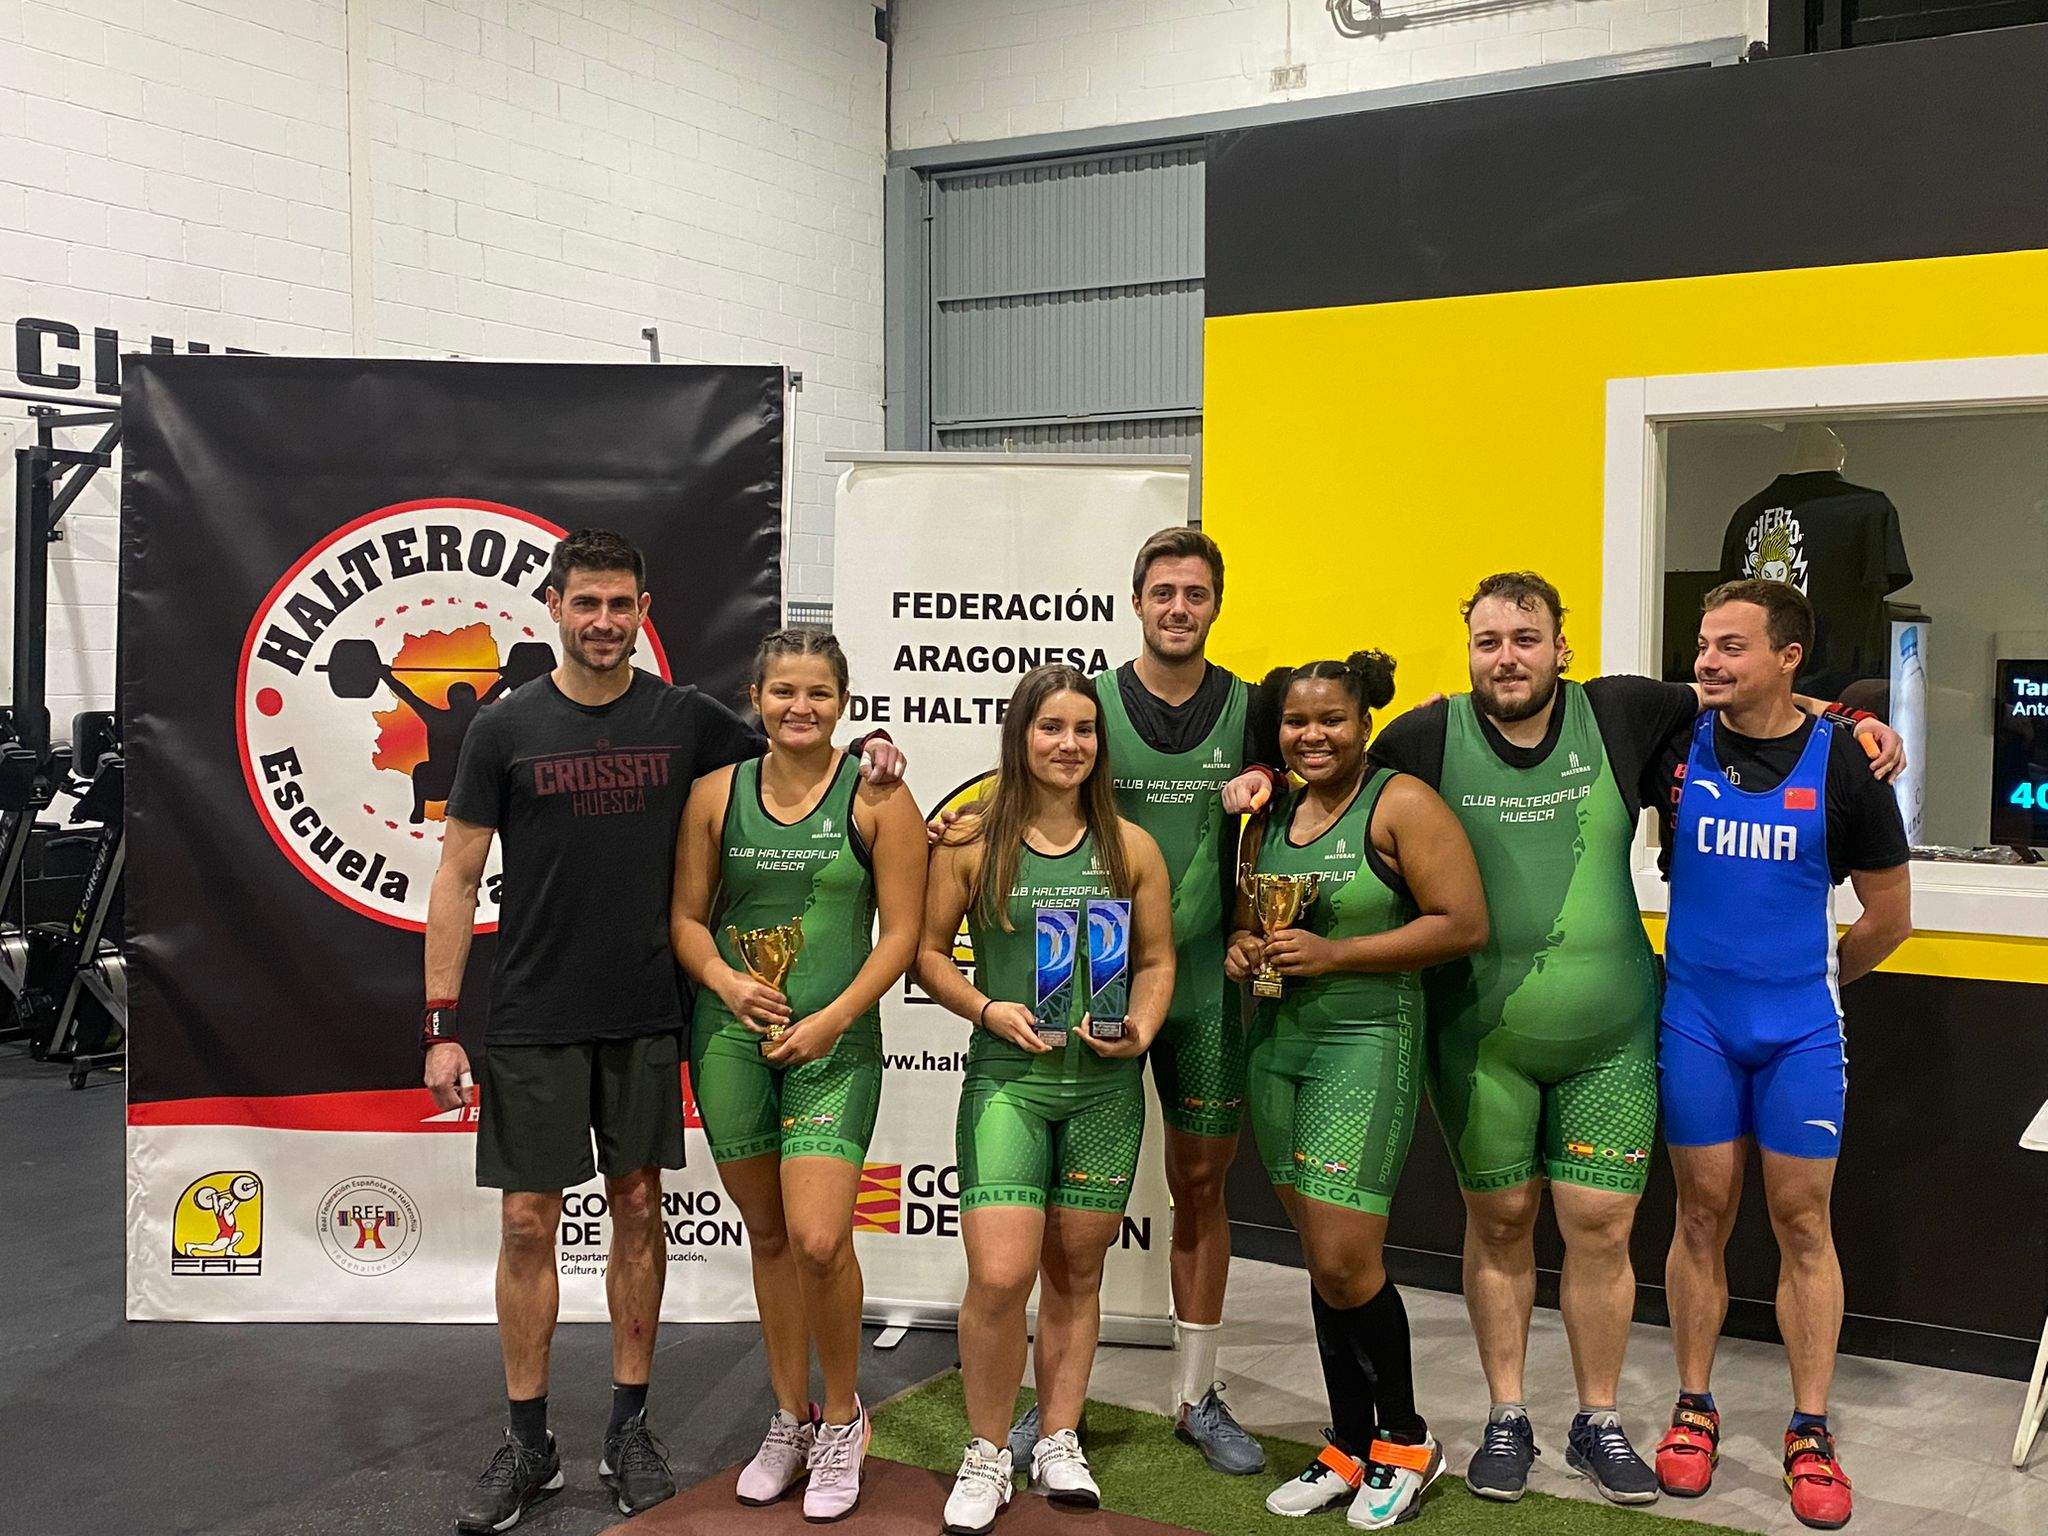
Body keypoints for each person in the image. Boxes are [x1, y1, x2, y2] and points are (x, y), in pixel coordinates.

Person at [1366, 572, 1902, 1505]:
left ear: (1561, 648)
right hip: (1528, 1032)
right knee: (1548, 1221)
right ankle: (1546, 1417)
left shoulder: (1622, 713)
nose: (1507, 657)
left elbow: (1766, 699)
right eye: (1488, 640)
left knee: (1656, 1225)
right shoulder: (1435, 736)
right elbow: (1331, 767)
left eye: (1525, 638)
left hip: (1679, 1031)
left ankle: (1655, 1423)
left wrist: (1849, 719)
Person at [420, 530, 904, 1534]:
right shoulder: (502, 729)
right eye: (586, 602)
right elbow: (458, 877)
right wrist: (439, 1023)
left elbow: (800, 751)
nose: (603, 621)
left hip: (648, 1013)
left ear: (644, 612)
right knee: (524, 1225)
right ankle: (528, 1446)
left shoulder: (688, 720)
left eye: (621, 604)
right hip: (532, 1014)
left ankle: (629, 1431)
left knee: (639, 1209)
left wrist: (877, 750)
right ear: (552, 605)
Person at [1015, 527, 1278, 1471]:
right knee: (1064, 1203)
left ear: (1216, 605)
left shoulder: (1255, 710)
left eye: (1195, 593)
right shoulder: (1087, 705)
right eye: (1162, 591)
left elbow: (1294, 821)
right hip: (1082, 978)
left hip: (1204, 981)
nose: (1178, 608)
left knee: (1202, 1186)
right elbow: (1017, 799)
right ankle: (1054, 1404)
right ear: (1136, 601)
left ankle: (1196, 1397)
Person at [1651, 579, 1911, 1531]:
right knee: (1699, 1214)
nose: (1708, 662)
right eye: (1703, 645)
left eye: (1731, 646)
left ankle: (1809, 1427)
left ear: (1788, 657)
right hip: (1696, 1024)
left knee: (1803, 1221)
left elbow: (1891, 918)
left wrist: (1817, 985)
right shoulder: (1677, 743)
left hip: (1800, 1027)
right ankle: (1693, 1406)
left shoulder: (1845, 764)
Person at [670, 628, 927, 1522]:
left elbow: (901, 935)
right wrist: (730, 983)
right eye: (784, 692)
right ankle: (790, 1417)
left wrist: (830, 1020)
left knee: (821, 1240)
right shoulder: (714, 795)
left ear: (844, 705)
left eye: (818, 694)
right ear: (756, 697)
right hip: (730, 1035)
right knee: (770, 1236)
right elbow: (687, 921)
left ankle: (846, 1418)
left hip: (835, 1042)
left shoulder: (881, 798)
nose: (800, 709)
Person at [1233, 652, 1489, 1530]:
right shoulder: (1268, 815)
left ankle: (1408, 1439)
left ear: (1363, 723)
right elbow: (1252, 919)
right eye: (1296, 723)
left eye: (1331, 720)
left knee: (1348, 1258)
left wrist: (1337, 955)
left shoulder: (1401, 803)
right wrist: (1243, 949)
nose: (1312, 736)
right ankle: (1349, 1442)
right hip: (1275, 1042)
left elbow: (1463, 923)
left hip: (1365, 1041)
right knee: (1322, 1257)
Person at [919, 665, 1175, 1536]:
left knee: (1078, 1269)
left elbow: (1157, 960)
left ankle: (1059, 1436)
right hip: (1010, 1084)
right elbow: (926, 956)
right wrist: (989, 1009)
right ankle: (988, 1450)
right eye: (1051, 728)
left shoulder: (1131, 847)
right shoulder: (971, 842)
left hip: (1105, 1087)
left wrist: (1139, 1028)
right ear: (1020, 737)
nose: (1069, 745)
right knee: (999, 1276)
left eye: (1084, 730)